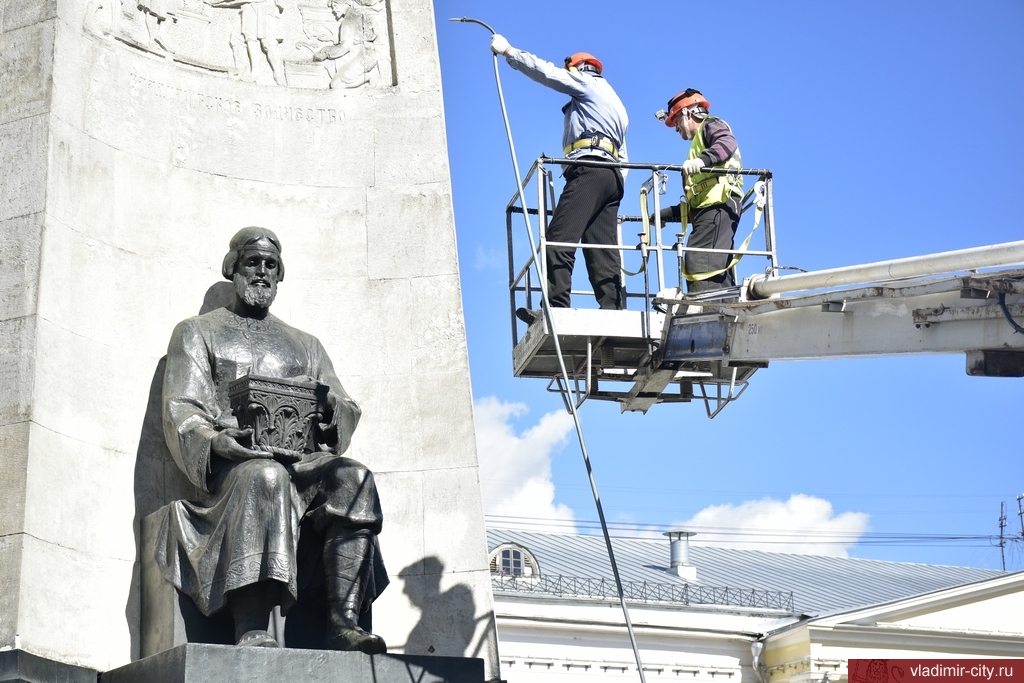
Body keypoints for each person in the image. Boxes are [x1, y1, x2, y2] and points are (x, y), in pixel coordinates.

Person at [153, 227, 388, 653]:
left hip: (302, 463)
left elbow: (346, 408)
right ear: (233, 269)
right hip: (235, 467)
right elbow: (182, 410)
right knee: (265, 476)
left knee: (354, 479)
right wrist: (219, 442)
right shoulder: (197, 331)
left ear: (280, 275)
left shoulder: (305, 344)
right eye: (252, 262)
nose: (262, 272)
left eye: (271, 265)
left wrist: (327, 405)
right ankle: (251, 627)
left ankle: (342, 623)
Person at [489, 34, 629, 323]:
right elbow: (624, 154)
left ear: (577, 69)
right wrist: (615, 185)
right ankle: (614, 313)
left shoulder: (587, 84)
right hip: (611, 177)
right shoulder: (616, 103)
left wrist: (509, 52)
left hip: (589, 169)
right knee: (601, 250)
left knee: (558, 238)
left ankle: (556, 309)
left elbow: (546, 73)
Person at [660, 89, 743, 293]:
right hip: (713, 210)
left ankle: (707, 319)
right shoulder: (698, 144)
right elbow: (699, 199)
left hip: (719, 207)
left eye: (676, 119)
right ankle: (719, 312)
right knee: (714, 269)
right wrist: (663, 215)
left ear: (688, 113)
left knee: (699, 262)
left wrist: (702, 161)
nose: (676, 127)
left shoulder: (711, 125)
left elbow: (727, 142)